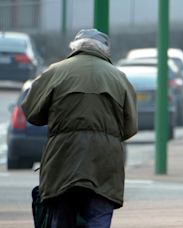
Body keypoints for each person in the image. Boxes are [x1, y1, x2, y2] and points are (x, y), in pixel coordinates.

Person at [22, 28, 138, 227]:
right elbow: (130, 127)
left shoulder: (55, 72)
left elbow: (32, 112)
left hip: (62, 160)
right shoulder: (119, 78)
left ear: (74, 47)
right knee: (99, 216)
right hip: (103, 163)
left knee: (61, 217)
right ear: (105, 50)